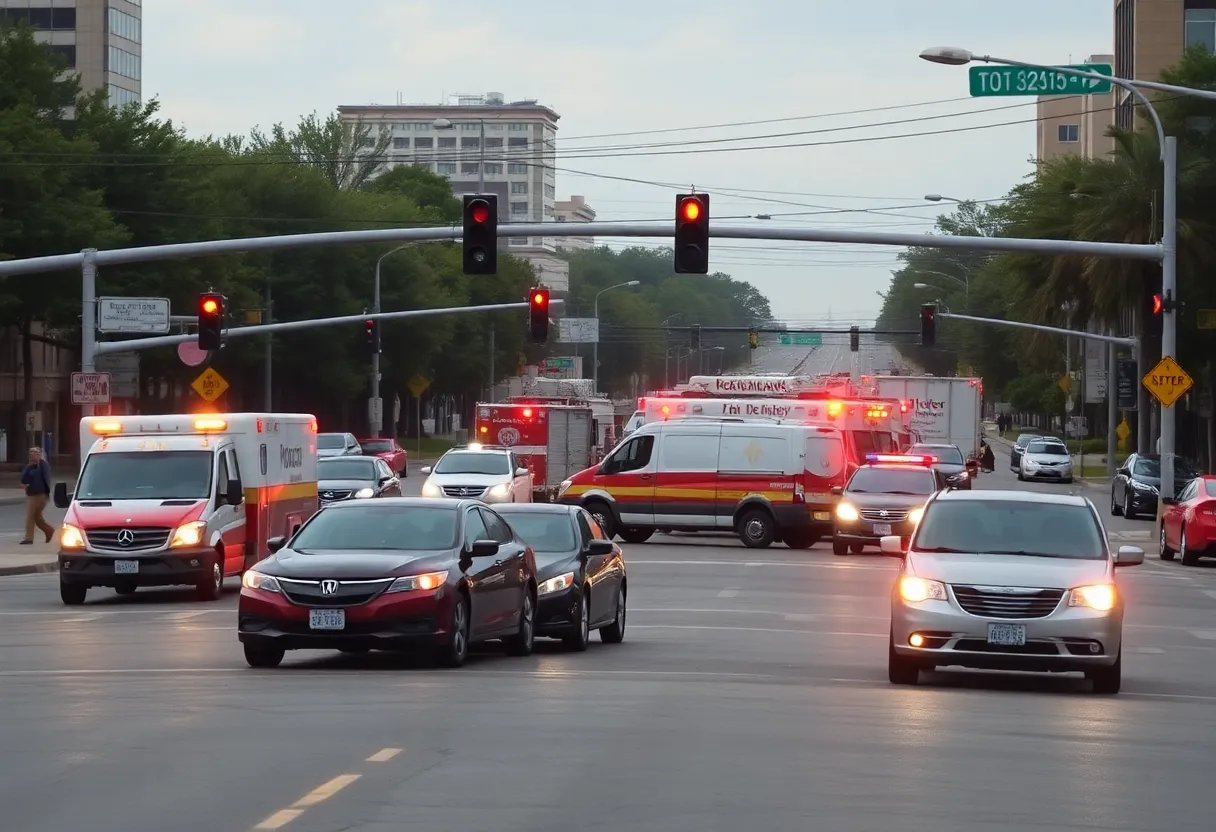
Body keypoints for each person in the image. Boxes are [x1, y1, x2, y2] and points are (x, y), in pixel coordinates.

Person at [20, 446, 55, 545]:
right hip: (31, 494)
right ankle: (49, 531)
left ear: (40, 455)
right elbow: (23, 479)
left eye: (36, 453)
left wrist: (47, 493)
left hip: (40, 494)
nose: (33, 455)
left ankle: (29, 538)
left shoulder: (43, 465)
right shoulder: (29, 466)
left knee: (31, 516)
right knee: (37, 517)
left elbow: (46, 479)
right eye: (31, 453)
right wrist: (29, 466)